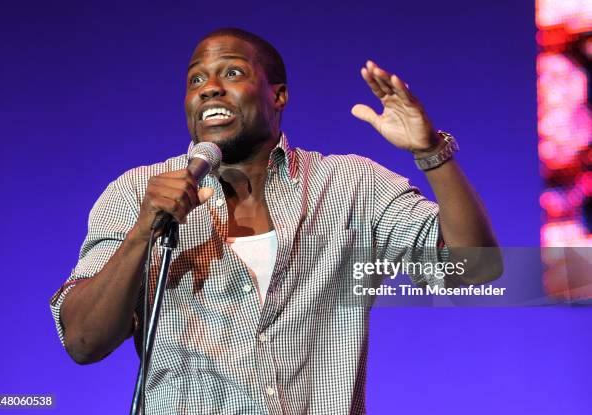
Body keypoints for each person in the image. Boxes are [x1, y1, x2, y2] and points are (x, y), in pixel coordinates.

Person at [50, 27, 501, 414]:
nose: (209, 88)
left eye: (232, 73)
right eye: (196, 79)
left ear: (278, 95)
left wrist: (430, 153)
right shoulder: (136, 193)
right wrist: (143, 232)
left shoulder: (351, 187)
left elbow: (475, 269)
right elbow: (84, 342)